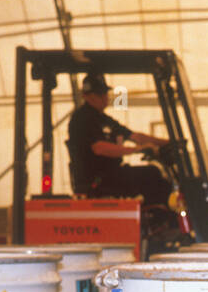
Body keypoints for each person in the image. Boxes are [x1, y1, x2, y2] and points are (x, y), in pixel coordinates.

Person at [66, 72, 173, 205]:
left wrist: (169, 142)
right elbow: (99, 148)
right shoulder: (81, 119)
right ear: (87, 96)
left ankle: (155, 216)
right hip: (98, 180)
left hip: (112, 175)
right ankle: (162, 217)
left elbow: (135, 136)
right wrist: (136, 150)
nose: (105, 98)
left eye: (105, 93)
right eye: (100, 94)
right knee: (151, 174)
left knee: (156, 174)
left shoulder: (104, 119)